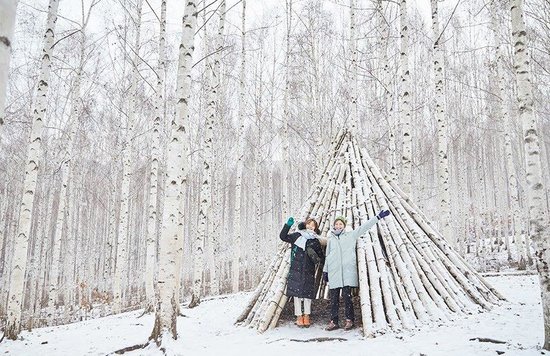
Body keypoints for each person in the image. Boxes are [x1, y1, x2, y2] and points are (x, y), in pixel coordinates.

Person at [323, 210, 391, 331]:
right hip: (334, 272)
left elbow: (364, 227)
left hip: (347, 273)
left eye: (340, 224)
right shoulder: (331, 239)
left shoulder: (351, 235)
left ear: (344, 226)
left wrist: (378, 217)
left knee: (347, 298)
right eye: (336, 224)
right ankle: (334, 321)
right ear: (334, 225)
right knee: (333, 299)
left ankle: (350, 320)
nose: (338, 226)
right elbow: (327, 256)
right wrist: (325, 271)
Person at [280, 217, 324, 328]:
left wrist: (314, 254)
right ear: (305, 225)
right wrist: (287, 225)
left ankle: (307, 315)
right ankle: (299, 316)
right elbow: (283, 237)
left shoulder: (315, 240)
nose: (310, 226)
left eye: (313, 225)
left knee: (307, 294)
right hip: (296, 269)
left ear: (315, 228)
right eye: (309, 224)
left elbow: (320, 256)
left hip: (309, 270)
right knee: (297, 294)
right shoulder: (296, 236)